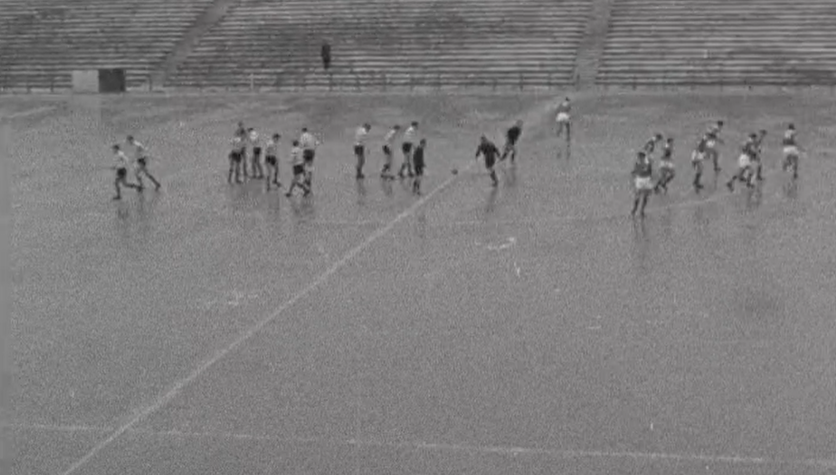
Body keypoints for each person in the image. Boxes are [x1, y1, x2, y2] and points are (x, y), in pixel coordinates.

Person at [631, 151, 653, 217]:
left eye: (639, 157)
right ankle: (635, 209)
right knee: (637, 196)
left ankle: (642, 210)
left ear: (643, 157)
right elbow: (635, 171)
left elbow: (650, 172)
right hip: (640, 180)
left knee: (645, 197)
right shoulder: (637, 163)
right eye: (638, 157)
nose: (638, 158)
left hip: (646, 180)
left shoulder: (648, 163)